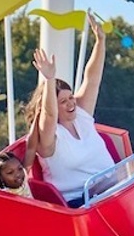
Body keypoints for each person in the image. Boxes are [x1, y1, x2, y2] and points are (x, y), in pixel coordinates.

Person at [27, 17, 113, 207]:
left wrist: (100, 42)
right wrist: (49, 79)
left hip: (113, 189)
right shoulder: (49, 137)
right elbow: (49, 115)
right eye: (63, 102)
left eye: (71, 98)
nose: (71, 104)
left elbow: (92, 79)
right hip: (81, 203)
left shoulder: (81, 115)